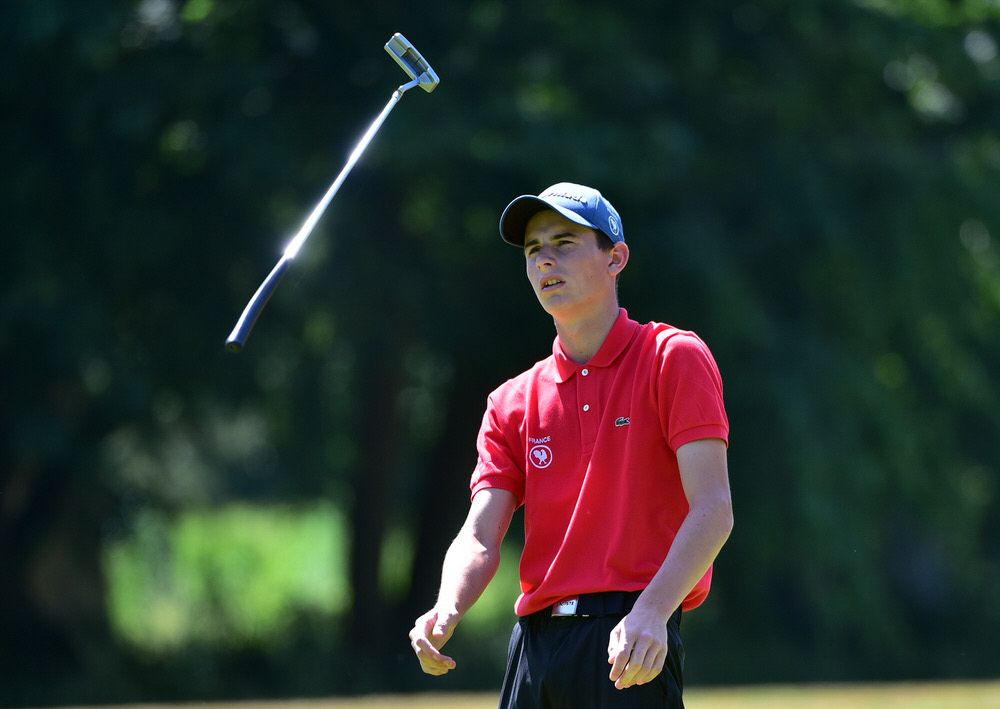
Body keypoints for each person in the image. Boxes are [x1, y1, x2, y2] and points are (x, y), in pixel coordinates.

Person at [409, 182, 733, 709]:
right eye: (534, 250)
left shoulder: (672, 357)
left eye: (564, 242)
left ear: (615, 258)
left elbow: (714, 509)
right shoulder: (510, 401)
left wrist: (652, 611)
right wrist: (447, 606)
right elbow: (481, 534)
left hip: (631, 639)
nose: (545, 261)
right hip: (535, 649)